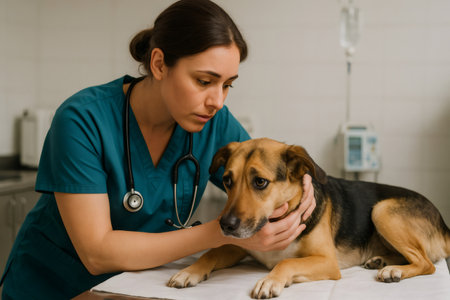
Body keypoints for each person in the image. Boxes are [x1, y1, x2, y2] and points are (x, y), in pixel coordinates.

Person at [0, 0, 316, 298]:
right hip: (56, 289)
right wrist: (221, 231)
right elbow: (97, 253)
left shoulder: (214, 123)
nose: (217, 101)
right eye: (204, 81)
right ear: (160, 64)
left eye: (227, 84)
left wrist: (304, 191)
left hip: (135, 289)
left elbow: (268, 178)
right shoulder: (83, 120)